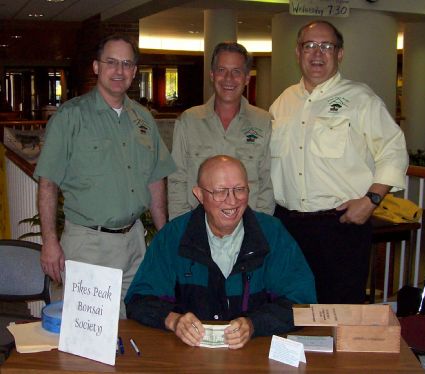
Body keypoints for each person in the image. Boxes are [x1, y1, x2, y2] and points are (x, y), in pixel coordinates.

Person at [33, 34, 176, 318]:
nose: (119, 71)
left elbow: (155, 180)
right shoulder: (70, 117)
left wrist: (163, 237)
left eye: (126, 64)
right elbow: (48, 183)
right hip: (89, 244)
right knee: (88, 330)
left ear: (134, 72)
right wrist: (49, 241)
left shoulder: (143, 119)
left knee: (133, 321)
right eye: (111, 62)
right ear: (97, 67)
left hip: (135, 241)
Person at [269, 20, 408, 304]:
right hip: (288, 227)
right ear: (298, 53)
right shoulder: (282, 103)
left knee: (339, 311)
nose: (317, 53)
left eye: (326, 46)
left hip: (340, 226)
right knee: (289, 306)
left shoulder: (361, 99)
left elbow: (393, 150)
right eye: (309, 45)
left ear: (339, 53)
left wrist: (370, 200)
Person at [125, 155, 316, 349]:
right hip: (187, 356)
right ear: (199, 195)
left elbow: (302, 303)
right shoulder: (173, 237)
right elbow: (139, 299)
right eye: (220, 192)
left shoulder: (272, 234)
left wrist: (254, 324)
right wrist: (173, 321)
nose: (232, 201)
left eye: (239, 190)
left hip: (255, 354)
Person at [168, 42, 274, 220]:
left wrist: (259, 226)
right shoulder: (189, 121)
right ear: (212, 75)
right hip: (197, 226)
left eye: (236, 71)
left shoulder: (263, 122)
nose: (228, 78)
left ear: (247, 78)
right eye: (222, 70)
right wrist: (181, 226)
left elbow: (267, 183)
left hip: (247, 225)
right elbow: (177, 179)